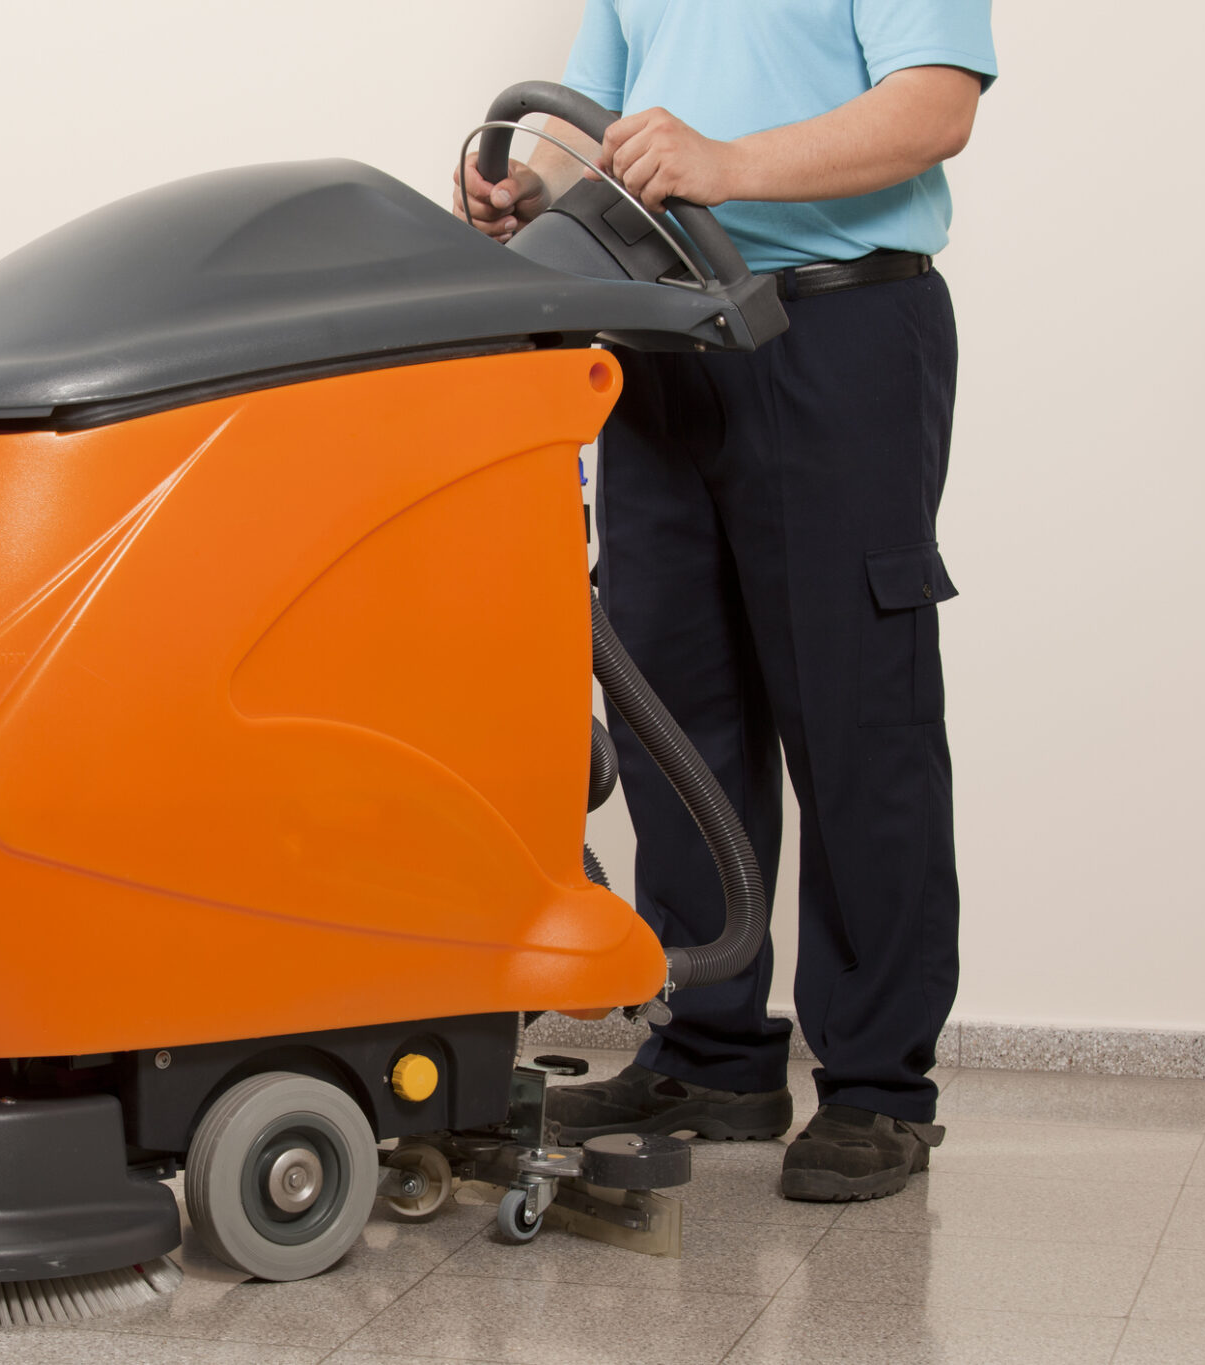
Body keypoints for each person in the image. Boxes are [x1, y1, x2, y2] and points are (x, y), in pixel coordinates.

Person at [456, 2, 996, 1202]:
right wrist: (522, 192)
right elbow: (585, 131)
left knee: (857, 712)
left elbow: (932, 107)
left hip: (835, 322)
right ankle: (711, 1055)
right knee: (671, 708)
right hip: (658, 334)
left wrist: (724, 165)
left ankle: (873, 1089)